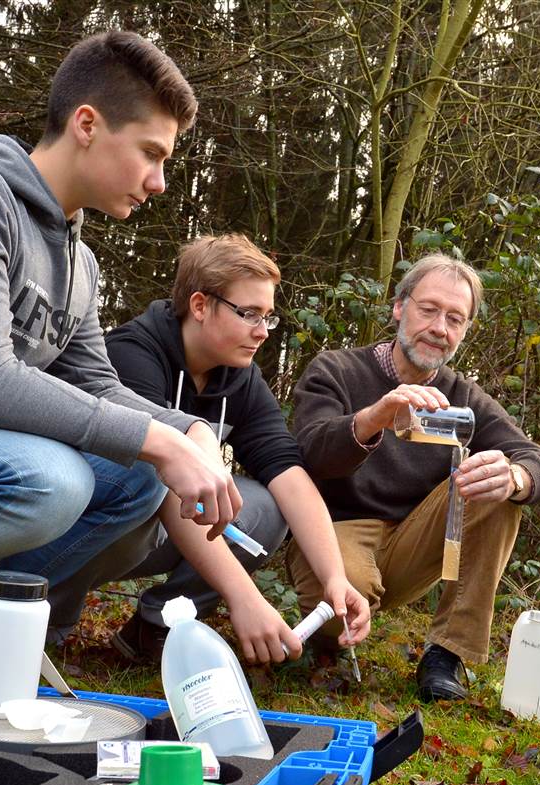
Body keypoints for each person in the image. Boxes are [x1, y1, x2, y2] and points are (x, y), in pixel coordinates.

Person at [0, 31, 243, 635]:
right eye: (150, 153)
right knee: (52, 481)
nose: (159, 182)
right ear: (88, 124)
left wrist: (188, 430)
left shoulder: (81, 263)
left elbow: (98, 383)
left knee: (139, 477)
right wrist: (159, 438)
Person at [288, 253, 540, 701]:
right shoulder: (336, 370)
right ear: (399, 307)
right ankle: (325, 650)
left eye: (455, 318)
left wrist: (516, 477)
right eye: (429, 309)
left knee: (493, 481)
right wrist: (374, 418)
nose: (440, 327)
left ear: (464, 330)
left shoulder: (463, 396)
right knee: (341, 610)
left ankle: (445, 654)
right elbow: (307, 453)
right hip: (334, 532)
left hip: (413, 542)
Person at [101, 234, 371, 664]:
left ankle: (154, 628)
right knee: (155, 480)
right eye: (248, 314)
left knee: (266, 505)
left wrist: (334, 577)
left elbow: (288, 473)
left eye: (268, 317)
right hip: (101, 523)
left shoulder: (239, 376)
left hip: (163, 524)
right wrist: (244, 598)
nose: (262, 332)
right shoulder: (133, 355)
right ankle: (44, 612)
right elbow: (163, 481)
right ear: (200, 306)